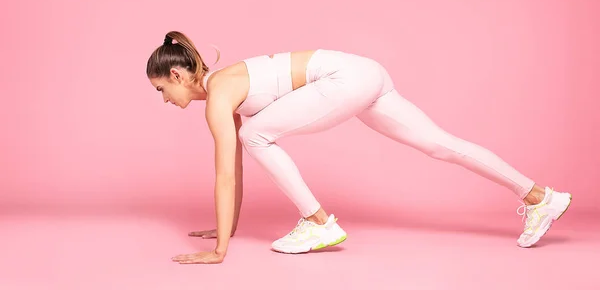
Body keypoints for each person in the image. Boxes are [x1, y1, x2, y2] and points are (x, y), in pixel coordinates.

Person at [146, 31, 572, 265]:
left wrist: (219, 251)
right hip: (364, 72)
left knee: (254, 133)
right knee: (440, 145)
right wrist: (228, 231)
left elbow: (224, 172)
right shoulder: (225, 90)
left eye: (162, 89)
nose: (165, 100)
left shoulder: (219, 93)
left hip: (343, 79)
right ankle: (540, 198)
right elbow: (234, 170)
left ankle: (317, 222)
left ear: (181, 75)